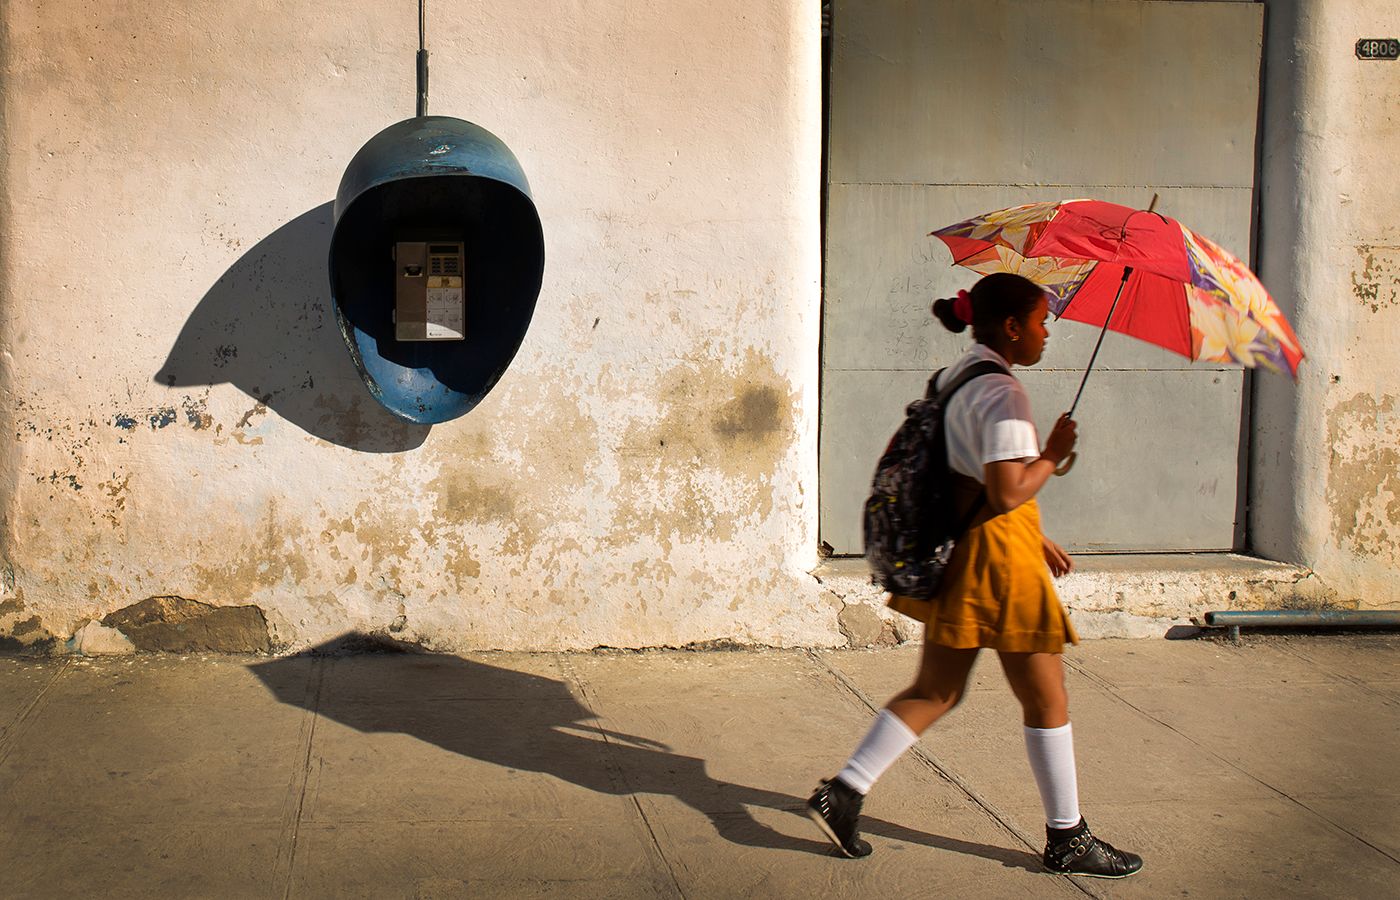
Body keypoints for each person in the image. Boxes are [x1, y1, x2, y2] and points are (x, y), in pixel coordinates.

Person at [807, 272, 1142, 879]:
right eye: (1042, 322)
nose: (1048, 333)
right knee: (1047, 697)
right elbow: (1008, 485)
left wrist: (1036, 532)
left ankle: (845, 792)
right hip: (1002, 564)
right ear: (1012, 327)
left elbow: (968, 477)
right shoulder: (1005, 395)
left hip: (970, 551)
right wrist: (1053, 453)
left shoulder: (957, 375)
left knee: (935, 691)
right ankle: (1067, 837)